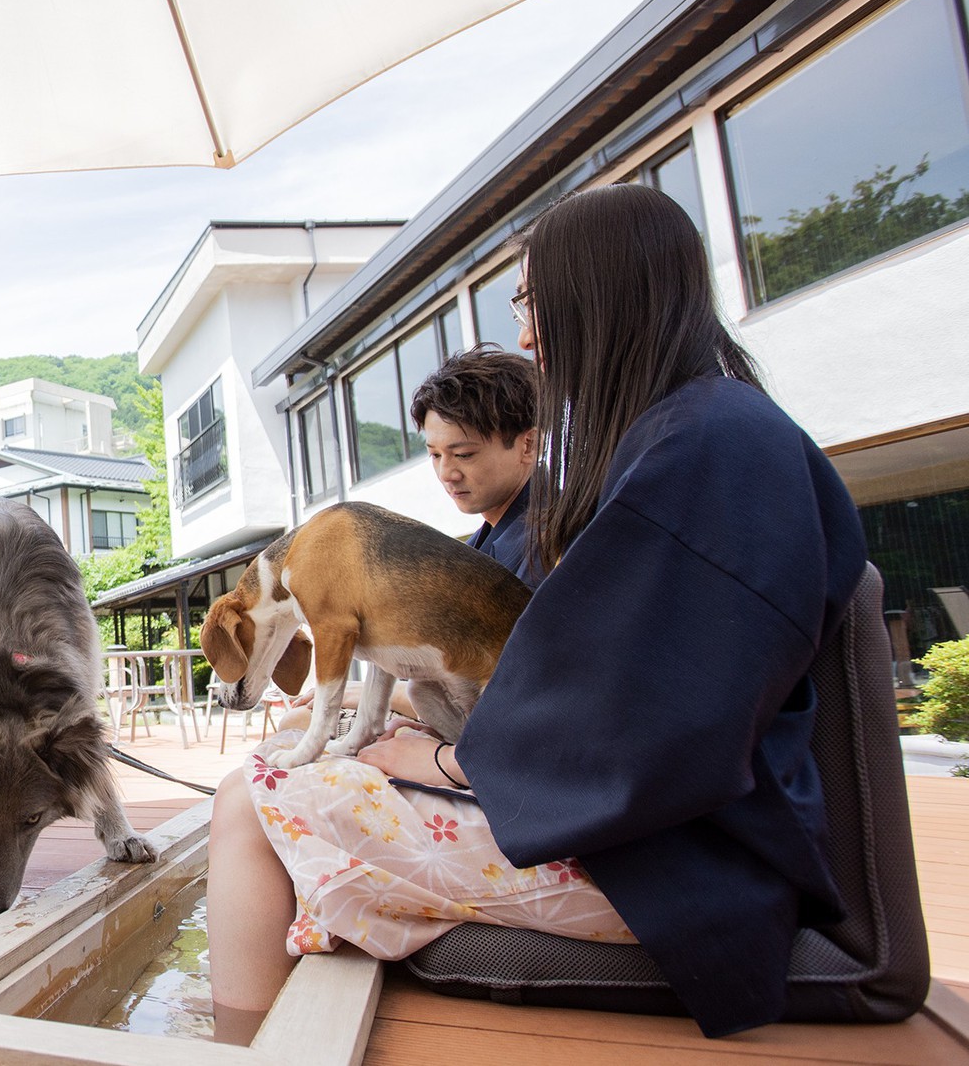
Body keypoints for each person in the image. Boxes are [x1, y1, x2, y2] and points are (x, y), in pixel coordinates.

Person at [206, 184, 866, 1043]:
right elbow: (621, 689)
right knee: (318, 778)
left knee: (254, 798)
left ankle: (236, 1048)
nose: (524, 334)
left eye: (531, 302)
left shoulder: (704, 450)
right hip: (677, 829)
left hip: (680, 864)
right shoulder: (706, 433)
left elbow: (640, 728)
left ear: (601, 295)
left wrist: (441, 755)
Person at [409, 345, 542, 584]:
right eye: (435, 456)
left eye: (463, 454)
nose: (447, 474)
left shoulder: (555, 546)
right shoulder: (474, 550)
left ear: (528, 445)